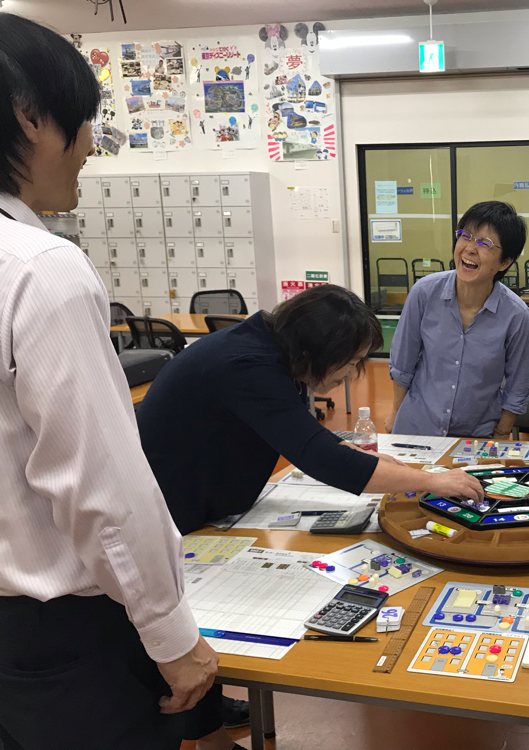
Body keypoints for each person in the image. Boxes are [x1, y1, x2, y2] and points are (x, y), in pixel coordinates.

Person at [137, 284, 484, 750]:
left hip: (202, 492)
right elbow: (321, 458)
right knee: (186, 612)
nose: (350, 375)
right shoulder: (249, 365)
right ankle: (207, 736)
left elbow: (303, 434)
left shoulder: (269, 347)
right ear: (318, 349)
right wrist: (430, 481)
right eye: (349, 361)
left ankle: (208, 716)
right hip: (168, 504)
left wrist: (392, 466)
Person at [0, 13, 217, 750]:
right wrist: (172, 636)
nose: (93, 145)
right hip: (62, 635)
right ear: (29, 116)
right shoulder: (39, 269)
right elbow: (100, 485)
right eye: (86, 119)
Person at [385, 201, 529, 440]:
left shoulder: (516, 315)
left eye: (484, 243)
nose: (470, 249)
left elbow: (518, 386)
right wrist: (395, 413)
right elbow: (403, 363)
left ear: (505, 262)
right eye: (465, 236)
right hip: (417, 429)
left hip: (476, 436)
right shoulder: (424, 293)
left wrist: (501, 433)